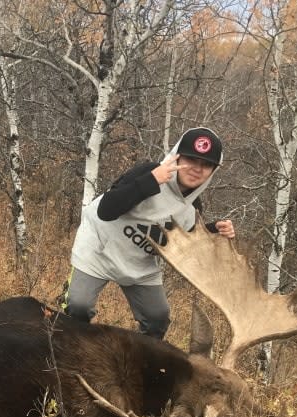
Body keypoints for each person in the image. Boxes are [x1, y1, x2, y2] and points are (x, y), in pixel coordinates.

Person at [62, 127, 235, 339]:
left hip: (138, 261)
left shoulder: (192, 210)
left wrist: (213, 230)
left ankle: (140, 366)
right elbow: (106, 210)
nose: (196, 169)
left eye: (206, 164)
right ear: (176, 156)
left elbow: (179, 244)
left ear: (213, 171)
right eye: (190, 159)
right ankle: (67, 353)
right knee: (78, 307)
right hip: (99, 246)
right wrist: (151, 181)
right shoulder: (148, 173)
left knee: (157, 319)